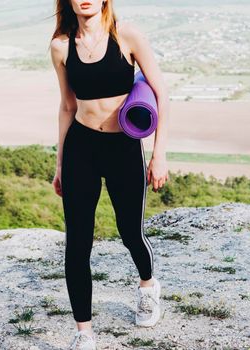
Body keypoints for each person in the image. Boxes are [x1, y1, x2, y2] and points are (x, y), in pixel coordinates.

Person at [49, 0, 169, 348]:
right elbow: (67, 106)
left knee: (130, 232)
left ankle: (148, 286)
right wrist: (59, 165)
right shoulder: (60, 46)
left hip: (123, 149)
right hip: (80, 149)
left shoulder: (126, 35)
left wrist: (158, 156)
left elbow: (162, 95)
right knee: (77, 244)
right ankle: (83, 333)